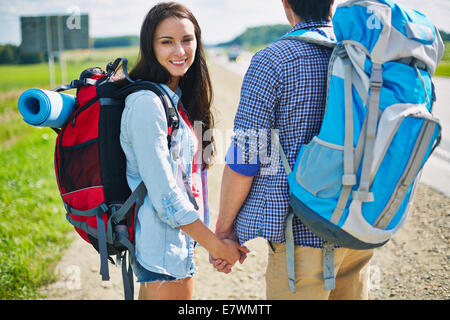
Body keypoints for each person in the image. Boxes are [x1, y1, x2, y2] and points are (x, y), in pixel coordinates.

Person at [210, 0, 374, 300]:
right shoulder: (362, 54)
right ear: (332, 2)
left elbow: (246, 158)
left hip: (304, 234)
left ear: (286, 3)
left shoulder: (272, 60)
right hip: (360, 228)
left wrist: (224, 231)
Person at [120, 2, 249, 300]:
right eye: (167, 42)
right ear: (150, 47)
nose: (180, 51)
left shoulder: (174, 99)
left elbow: (188, 184)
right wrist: (217, 247)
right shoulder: (146, 104)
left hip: (174, 247)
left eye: (187, 40)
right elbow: (166, 197)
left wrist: (210, 241)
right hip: (163, 252)